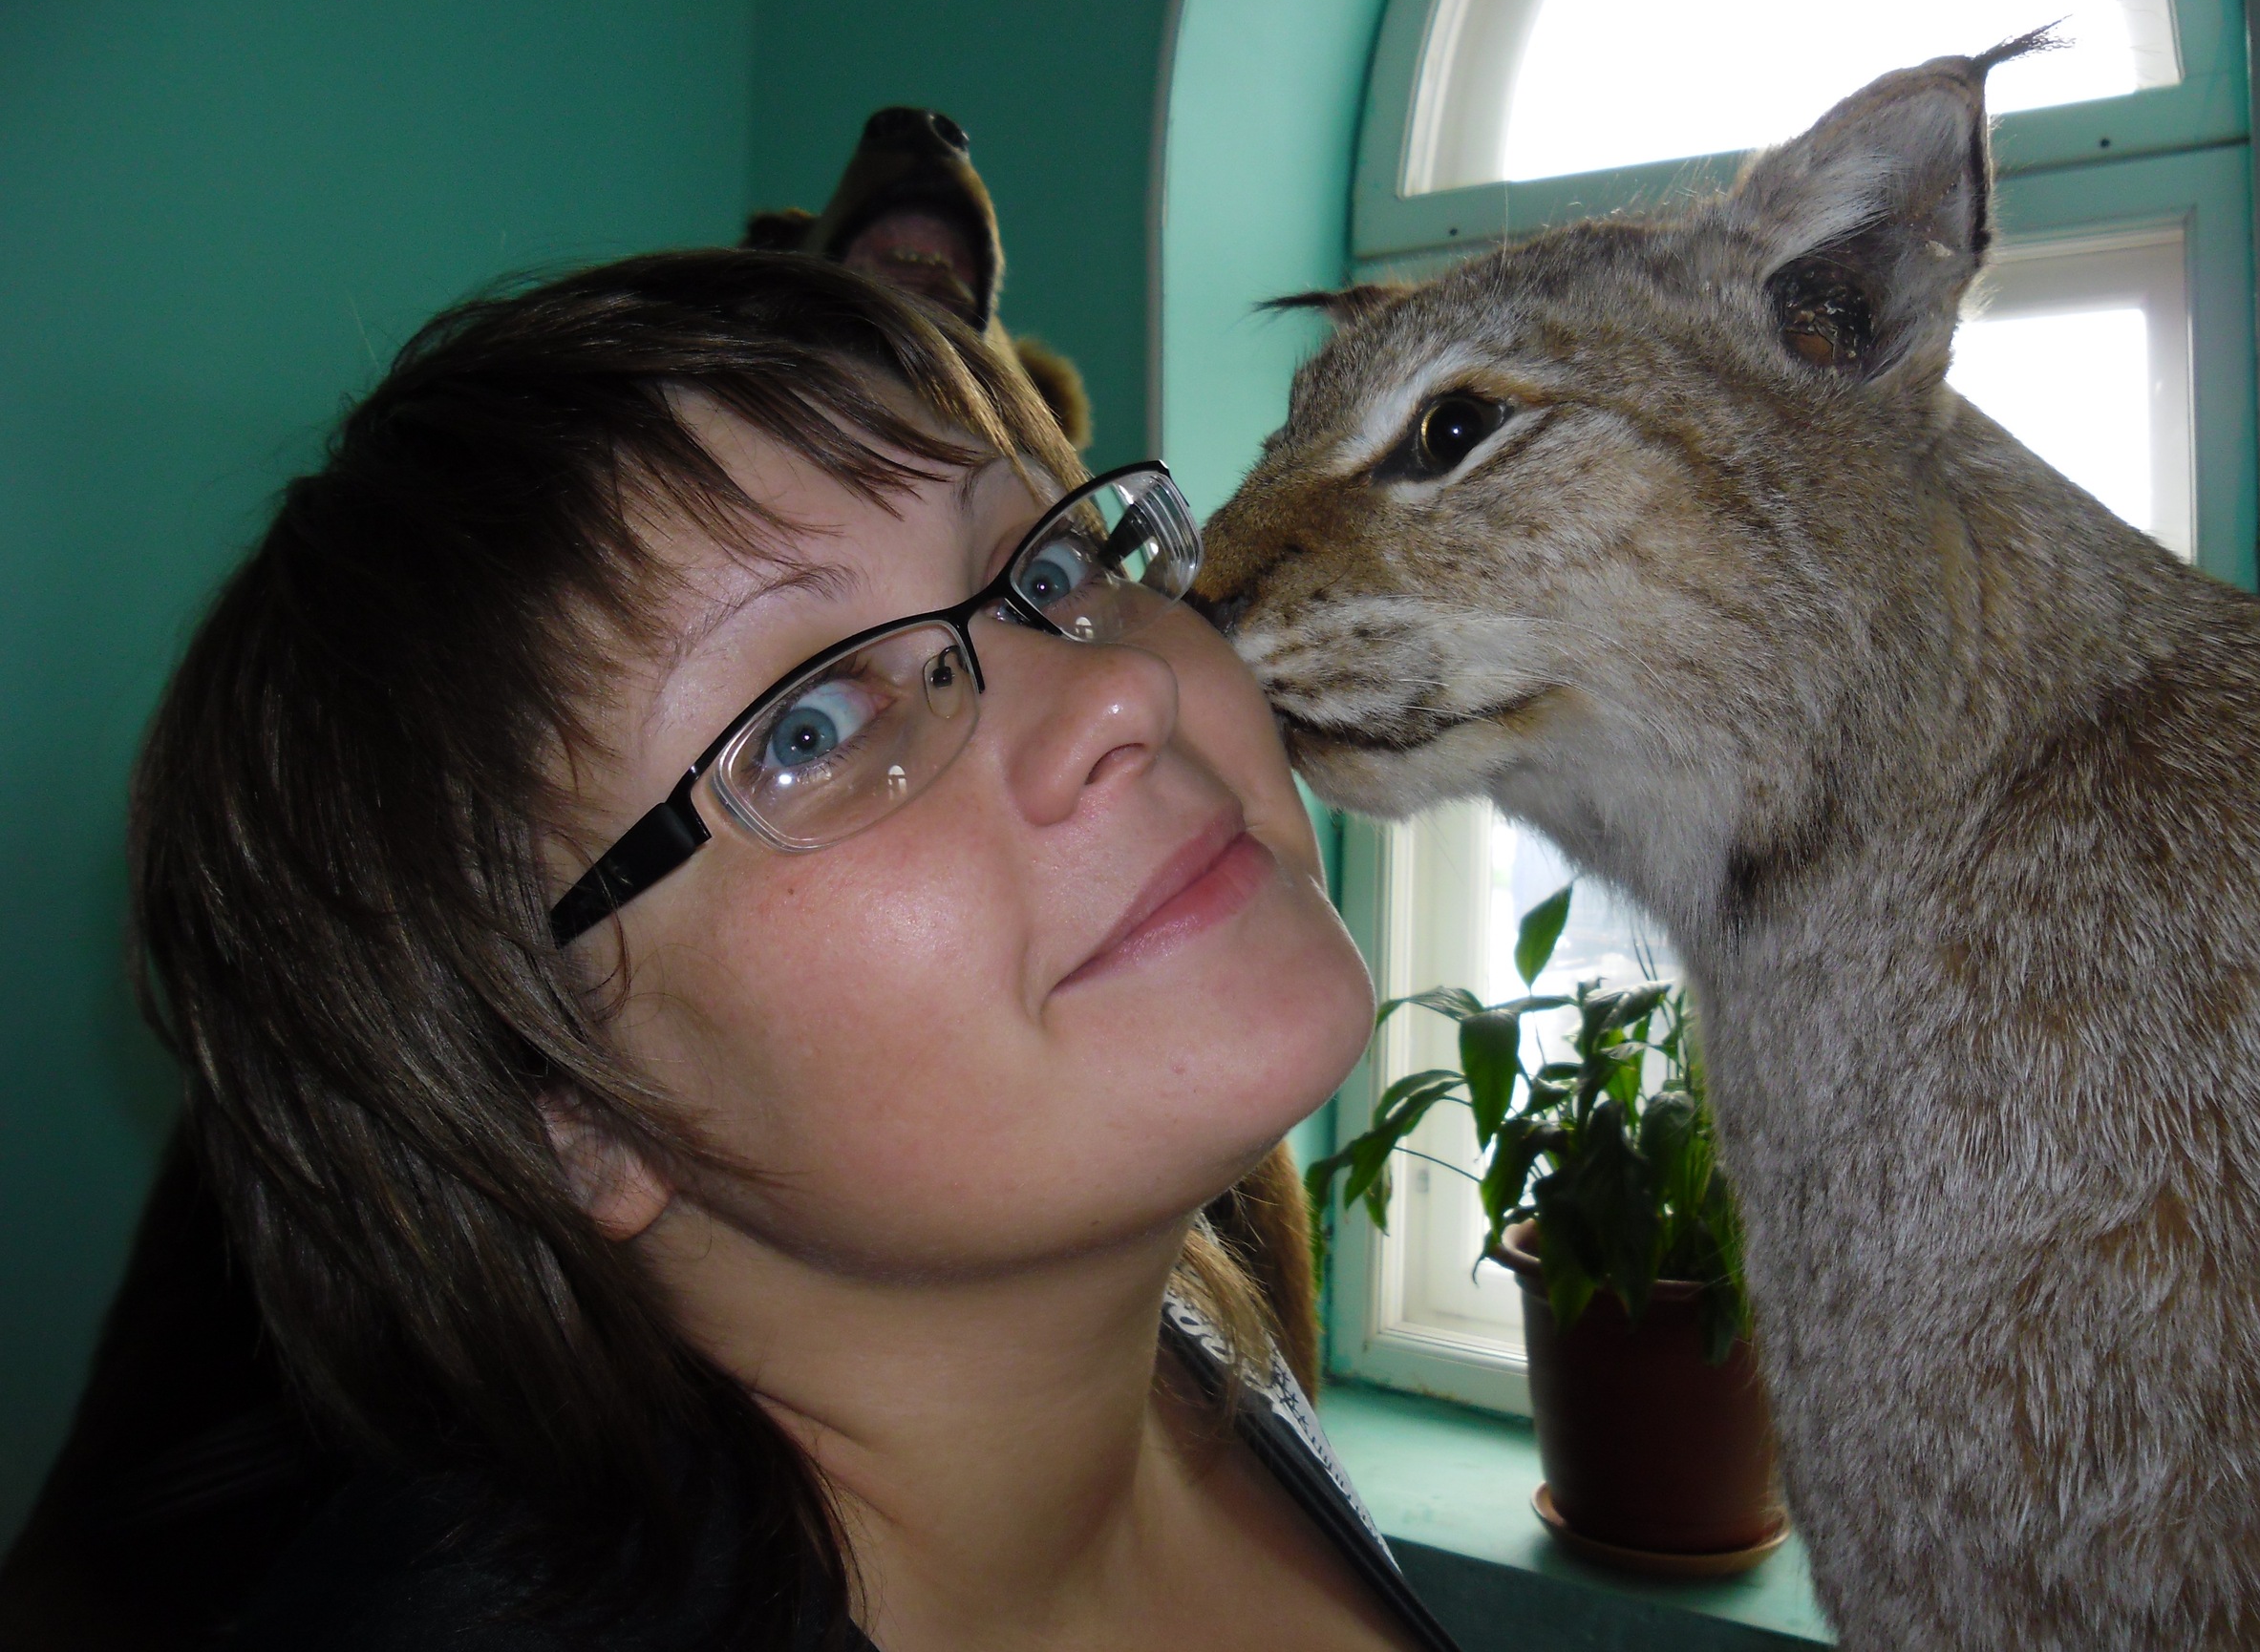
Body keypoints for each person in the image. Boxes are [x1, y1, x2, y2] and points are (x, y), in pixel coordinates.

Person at [128, 249, 1460, 1650]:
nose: (1119, 685)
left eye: (1050, 567)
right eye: (809, 729)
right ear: (566, 1115)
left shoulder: (1186, 1344)